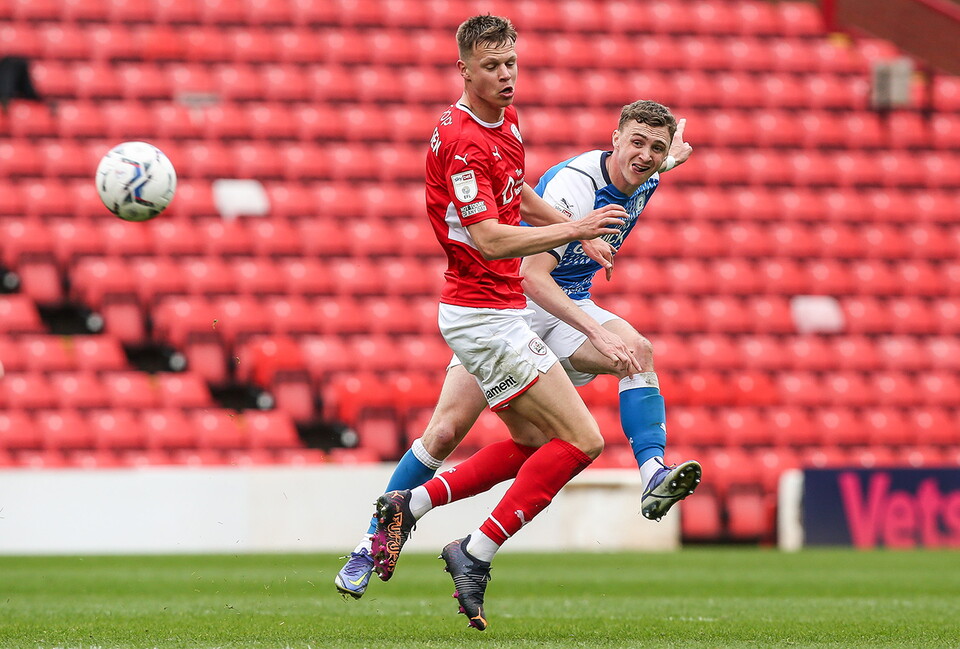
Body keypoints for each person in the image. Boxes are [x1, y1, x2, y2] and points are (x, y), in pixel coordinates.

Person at [336, 101, 699, 611]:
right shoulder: (577, 187)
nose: (645, 155)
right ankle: (369, 545)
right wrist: (597, 330)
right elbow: (531, 275)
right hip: (513, 310)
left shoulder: (649, 171)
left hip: (564, 306)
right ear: (614, 137)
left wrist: (670, 155)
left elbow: (656, 160)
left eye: (655, 148)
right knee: (445, 433)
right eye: (636, 142)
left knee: (636, 353)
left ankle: (653, 474)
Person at [355, 14, 632, 631]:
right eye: (492, 66)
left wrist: (570, 234)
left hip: (496, 310)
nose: (506, 76)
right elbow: (488, 237)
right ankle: (472, 553)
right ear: (464, 69)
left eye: (511, 62)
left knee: (527, 443)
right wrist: (574, 229)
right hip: (484, 315)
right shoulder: (461, 142)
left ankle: (412, 505)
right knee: (583, 441)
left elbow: (518, 194)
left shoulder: (505, 121)